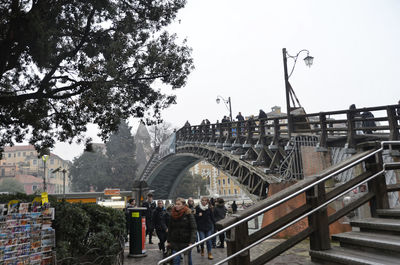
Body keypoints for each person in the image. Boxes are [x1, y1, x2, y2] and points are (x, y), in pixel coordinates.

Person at [167, 197, 197, 265]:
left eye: (178, 204)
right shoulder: (173, 214)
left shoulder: (188, 213)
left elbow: (193, 228)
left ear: (183, 205)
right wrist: (168, 241)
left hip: (186, 242)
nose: (176, 205)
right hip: (175, 242)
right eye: (176, 204)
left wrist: (192, 242)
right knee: (176, 260)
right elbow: (170, 228)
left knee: (188, 260)